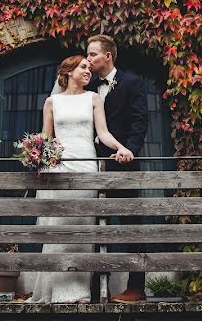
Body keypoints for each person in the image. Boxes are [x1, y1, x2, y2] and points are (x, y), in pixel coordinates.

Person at [24, 55, 133, 304]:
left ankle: (79, 291)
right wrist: (35, 152)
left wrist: (122, 147)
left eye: (89, 67)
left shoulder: (92, 99)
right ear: (69, 71)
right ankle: (55, 290)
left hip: (86, 165)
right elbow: (46, 137)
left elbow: (103, 133)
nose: (88, 71)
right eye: (83, 67)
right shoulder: (52, 102)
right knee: (59, 229)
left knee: (82, 230)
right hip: (59, 168)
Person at [85, 34, 149, 303]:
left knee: (130, 224)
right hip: (88, 162)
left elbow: (139, 120)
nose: (87, 60)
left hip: (122, 164)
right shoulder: (85, 86)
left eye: (92, 55)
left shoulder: (132, 82)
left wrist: (129, 151)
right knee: (92, 225)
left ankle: (136, 287)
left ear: (107, 56)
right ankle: (93, 288)